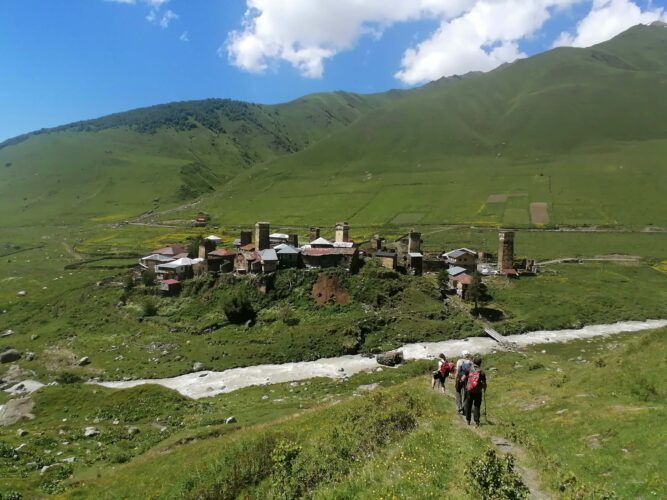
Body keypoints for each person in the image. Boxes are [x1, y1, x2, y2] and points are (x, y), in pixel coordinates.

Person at [462, 355, 487, 426]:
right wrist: (484, 389)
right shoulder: (481, 372)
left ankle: (468, 421)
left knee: (468, 405)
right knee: (477, 406)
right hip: (478, 391)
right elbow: (484, 383)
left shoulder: (469, 369)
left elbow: (463, 378)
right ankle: (477, 421)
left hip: (469, 390)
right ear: (480, 363)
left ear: (473, 362)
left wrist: (462, 381)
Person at [454, 350, 472, 415]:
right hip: (467, 379)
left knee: (457, 391)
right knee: (466, 393)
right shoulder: (470, 362)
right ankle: (464, 408)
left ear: (462, 355)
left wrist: (455, 380)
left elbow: (457, 372)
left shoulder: (459, 361)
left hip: (459, 378)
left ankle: (459, 407)